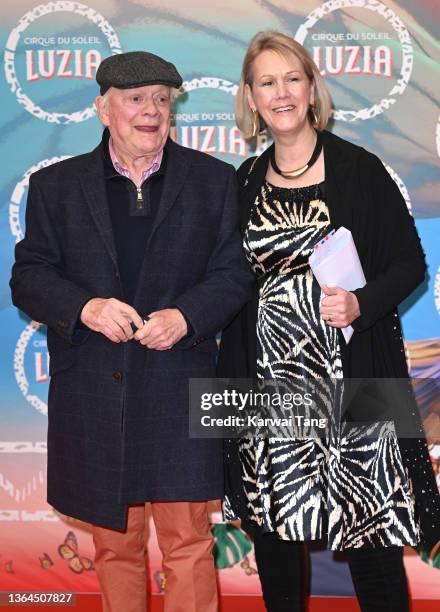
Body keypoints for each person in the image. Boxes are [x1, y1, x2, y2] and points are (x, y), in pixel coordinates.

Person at [10, 51, 254, 612]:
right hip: (96, 391)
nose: (152, 111)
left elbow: (234, 273)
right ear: (103, 108)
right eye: (136, 98)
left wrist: (187, 316)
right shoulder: (55, 186)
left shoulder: (213, 180)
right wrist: (86, 307)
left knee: (189, 544)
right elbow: (30, 278)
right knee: (116, 549)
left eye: (163, 100)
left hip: (179, 387)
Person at [218, 31, 440, 612]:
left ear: (313, 88)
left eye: (293, 78)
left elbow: (409, 263)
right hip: (268, 391)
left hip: (357, 383)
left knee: (372, 537)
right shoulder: (241, 181)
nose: (281, 92)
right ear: (250, 96)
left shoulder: (360, 170)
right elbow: (228, 283)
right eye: (267, 82)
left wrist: (360, 304)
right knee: (275, 536)